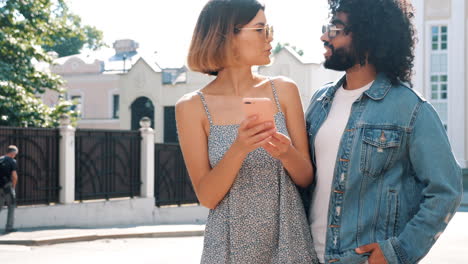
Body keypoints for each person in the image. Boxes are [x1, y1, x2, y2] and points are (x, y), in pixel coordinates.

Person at [304, 0, 463, 263]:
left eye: (336, 28)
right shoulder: (320, 101)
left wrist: (397, 252)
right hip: (306, 256)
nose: (324, 36)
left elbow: (446, 191)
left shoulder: (411, 109)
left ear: (369, 35)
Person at [176, 0, 318, 263]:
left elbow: (306, 177)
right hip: (228, 248)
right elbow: (207, 197)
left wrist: (286, 152)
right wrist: (239, 148)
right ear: (229, 34)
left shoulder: (284, 90)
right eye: (261, 29)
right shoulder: (191, 107)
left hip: (288, 243)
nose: (270, 37)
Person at [0, 145, 19, 234]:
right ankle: (9, 228)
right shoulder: (12, 161)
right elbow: (14, 176)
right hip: (7, 187)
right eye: (15, 154)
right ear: (13, 153)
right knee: (11, 206)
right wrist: (13, 187)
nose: (15, 156)